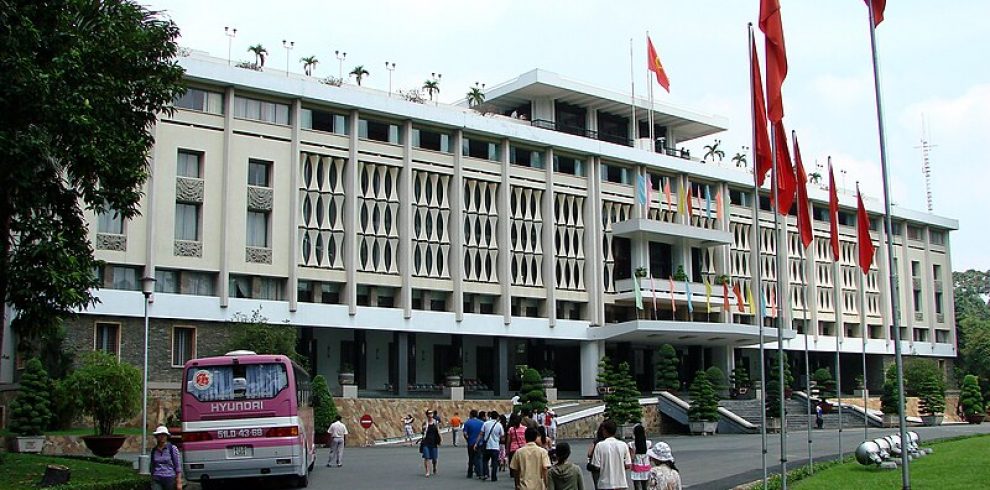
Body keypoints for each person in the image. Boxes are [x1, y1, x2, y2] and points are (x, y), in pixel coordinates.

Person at [589, 420, 631, 490]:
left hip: (605, 484)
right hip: (621, 483)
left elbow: (596, 466)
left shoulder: (599, 445)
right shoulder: (623, 445)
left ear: (604, 431)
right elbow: (628, 465)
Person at [150, 426, 183, 490]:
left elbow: (178, 466)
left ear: (167, 436)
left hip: (170, 478)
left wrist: (179, 481)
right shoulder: (154, 450)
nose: (162, 437)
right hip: (157, 478)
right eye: (160, 435)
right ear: (156, 436)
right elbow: (152, 465)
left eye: (164, 435)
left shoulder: (172, 448)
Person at [477, 410, 505, 481]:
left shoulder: (486, 424)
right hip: (495, 446)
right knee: (494, 462)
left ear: (490, 416)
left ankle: (486, 473)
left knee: (485, 461)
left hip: (487, 446)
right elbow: (502, 436)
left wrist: (476, 443)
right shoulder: (499, 425)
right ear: (497, 417)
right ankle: (494, 476)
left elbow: (481, 434)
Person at [628, 425, 651, 490]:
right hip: (646, 466)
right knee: (645, 487)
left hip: (636, 467)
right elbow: (650, 457)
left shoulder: (632, 444)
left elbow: (631, 458)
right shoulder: (648, 443)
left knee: (637, 487)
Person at [464, 409, 484, 479]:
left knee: (471, 458)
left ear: (471, 415)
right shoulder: (482, 423)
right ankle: (480, 473)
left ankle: (470, 473)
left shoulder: (467, 423)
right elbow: (483, 433)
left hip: (471, 442)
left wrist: (467, 439)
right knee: (479, 458)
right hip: (479, 443)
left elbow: (465, 434)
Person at [421, 410, 442, 477]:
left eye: (431, 413)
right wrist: (423, 429)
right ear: (427, 415)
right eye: (429, 413)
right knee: (426, 457)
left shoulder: (435, 422)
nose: (431, 414)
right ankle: (427, 471)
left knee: (434, 459)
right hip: (426, 441)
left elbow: (438, 431)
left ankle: (434, 467)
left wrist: (440, 439)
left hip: (434, 442)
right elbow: (422, 432)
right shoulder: (425, 423)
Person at [586, 423, 606, 489]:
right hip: (606, 464)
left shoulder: (596, 441)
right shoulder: (607, 442)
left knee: (597, 483)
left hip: (595, 466)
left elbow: (589, 453)